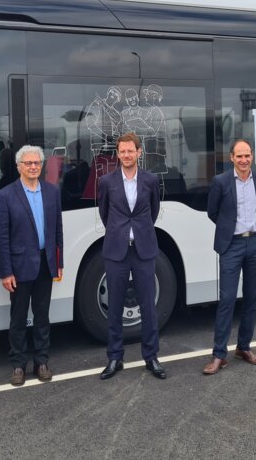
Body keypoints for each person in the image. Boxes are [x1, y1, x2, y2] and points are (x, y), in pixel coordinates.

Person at [97, 131, 166, 380]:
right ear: (118, 154)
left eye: (130, 151)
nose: (126, 155)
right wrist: (121, 233)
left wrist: (138, 232)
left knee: (148, 306)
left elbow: (153, 210)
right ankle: (115, 357)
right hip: (116, 251)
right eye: (122, 151)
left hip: (144, 250)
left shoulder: (150, 180)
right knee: (114, 307)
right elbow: (105, 213)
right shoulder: (106, 182)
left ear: (139, 152)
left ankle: (151, 356)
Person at [0, 145, 64, 386]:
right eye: (28, 163)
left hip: (46, 263)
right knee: (18, 318)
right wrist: (6, 271)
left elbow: (57, 230)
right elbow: (1, 237)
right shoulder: (5, 195)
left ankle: (42, 361)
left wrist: (59, 261)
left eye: (37, 163)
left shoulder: (52, 191)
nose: (33, 167)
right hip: (19, 266)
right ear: (18, 167)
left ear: (41, 166)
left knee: (42, 316)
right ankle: (18, 365)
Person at [203, 139, 256, 375]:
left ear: (252, 157)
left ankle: (244, 348)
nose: (243, 160)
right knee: (227, 299)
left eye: (247, 155)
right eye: (239, 156)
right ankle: (219, 354)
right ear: (231, 157)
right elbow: (213, 212)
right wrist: (229, 228)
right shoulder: (220, 182)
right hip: (232, 245)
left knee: (251, 299)